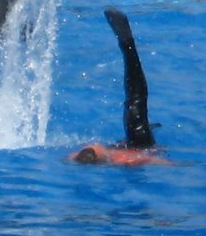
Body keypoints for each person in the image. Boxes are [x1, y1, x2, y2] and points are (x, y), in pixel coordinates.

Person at [70, 9, 169, 166]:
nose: (94, 144)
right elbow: (159, 161)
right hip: (140, 148)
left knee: (135, 104)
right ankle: (127, 43)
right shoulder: (124, 158)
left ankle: (127, 42)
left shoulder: (89, 154)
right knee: (136, 104)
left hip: (129, 148)